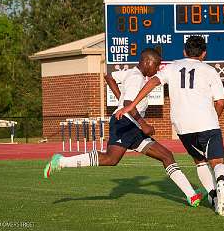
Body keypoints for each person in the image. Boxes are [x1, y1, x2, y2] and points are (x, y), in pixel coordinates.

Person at [43, 48, 204, 207]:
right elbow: (128, 104)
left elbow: (109, 77)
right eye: (156, 65)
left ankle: (192, 195)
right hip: (126, 123)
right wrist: (144, 124)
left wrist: (120, 99)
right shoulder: (136, 78)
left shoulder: (130, 72)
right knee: (110, 159)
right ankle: (61, 161)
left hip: (131, 126)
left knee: (166, 156)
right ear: (147, 62)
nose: (157, 69)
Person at [115, 36, 224, 216]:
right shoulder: (210, 70)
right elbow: (220, 102)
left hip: (182, 126)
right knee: (217, 162)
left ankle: (214, 196)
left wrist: (131, 104)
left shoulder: (172, 67)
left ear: (184, 51)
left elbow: (153, 82)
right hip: (207, 121)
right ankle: (222, 182)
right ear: (204, 53)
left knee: (200, 162)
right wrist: (213, 119)